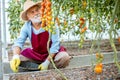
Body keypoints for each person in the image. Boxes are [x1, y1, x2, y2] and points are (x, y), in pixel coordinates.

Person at [10, 0, 71, 72]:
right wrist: (15, 56)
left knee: (64, 57)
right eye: (32, 12)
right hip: (37, 55)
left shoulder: (50, 23)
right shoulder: (26, 27)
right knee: (20, 59)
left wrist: (47, 62)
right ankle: (46, 69)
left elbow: (55, 44)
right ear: (28, 17)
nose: (36, 13)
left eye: (37, 10)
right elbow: (19, 43)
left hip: (52, 55)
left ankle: (42, 68)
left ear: (41, 10)